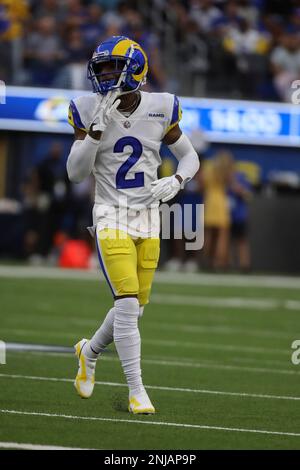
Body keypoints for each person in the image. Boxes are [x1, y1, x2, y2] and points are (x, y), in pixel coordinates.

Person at [66, 36, 199, 414]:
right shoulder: (87, 107)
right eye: (102, 68)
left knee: (136, 308)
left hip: (149, 215)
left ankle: (88, 352)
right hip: (109, 214)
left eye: (113, 67)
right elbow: (76, 175)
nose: (106, 75)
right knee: (125, 304)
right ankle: (137, 391)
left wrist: (176, 181)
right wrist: (96, 128)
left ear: (136, 69)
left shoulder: (161, 107)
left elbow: (190, 158)